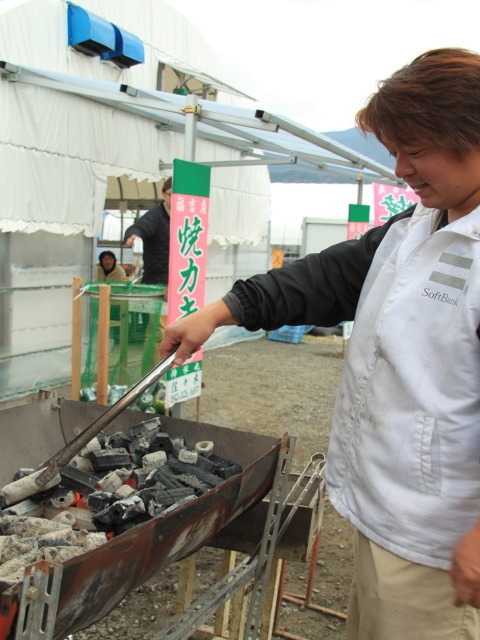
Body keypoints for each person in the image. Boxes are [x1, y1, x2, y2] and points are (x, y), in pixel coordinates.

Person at [160, 48, 480, 639]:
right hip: (385, 515)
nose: (402, 169)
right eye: (394, 153)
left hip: (445, 544)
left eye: (415, 150)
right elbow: (325, 279)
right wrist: (224, 310)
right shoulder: (416, 227)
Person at [124, 177, 172, 372]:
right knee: (158, 333)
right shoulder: (156, 217)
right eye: (171, 195)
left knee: (175, 330)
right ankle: (154, 374)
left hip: (181, 284)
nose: (175, 199)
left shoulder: (185, 218)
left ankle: (166, 371)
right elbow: (139, 227)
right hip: (158, 285)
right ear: (163, 194)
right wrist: (133, 235)